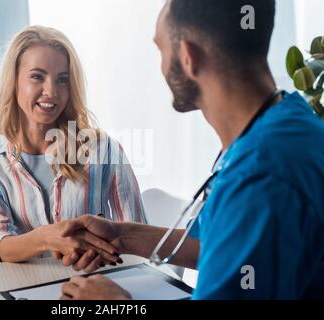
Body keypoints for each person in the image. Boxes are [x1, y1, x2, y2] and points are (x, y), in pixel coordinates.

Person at [58, 0, 324, 299]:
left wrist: (117, 304)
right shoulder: (290, 121)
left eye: (161, 50)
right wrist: (122, 236)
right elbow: (219, 246)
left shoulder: (259, 176)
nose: (160, 65)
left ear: (188, 56)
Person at [0, 26, 146, 269]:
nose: (51, 91)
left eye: (62, 79)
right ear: (14, 82)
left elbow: (138, 233)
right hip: (27, 289)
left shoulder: (103, 150)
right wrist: (48, 238)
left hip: (97, 287)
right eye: (37, 76)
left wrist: (101, 250)